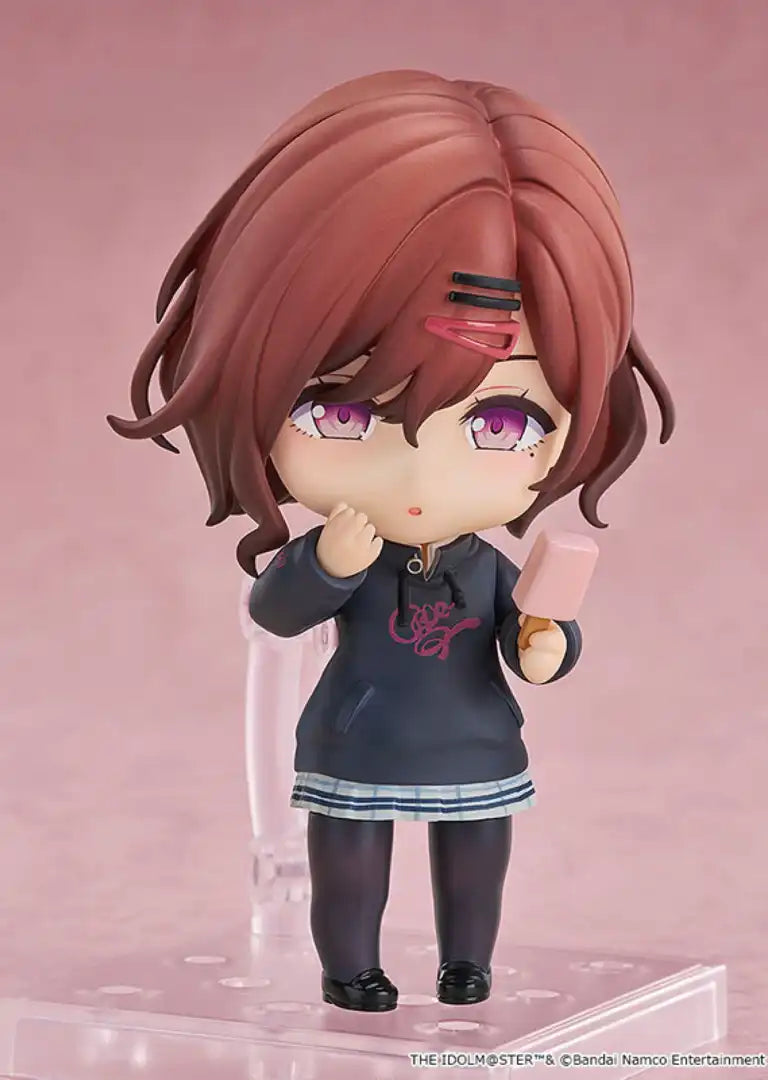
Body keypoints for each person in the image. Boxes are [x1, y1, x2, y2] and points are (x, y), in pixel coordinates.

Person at [108, 69, 674, 1012]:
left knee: (476, 863)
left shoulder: (483, 567)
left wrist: (546, 642)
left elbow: (530, 634)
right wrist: (325, 564)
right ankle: (350, 970)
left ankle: (466, 964)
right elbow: (276, 613)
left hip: (476, 743)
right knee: (350, 866)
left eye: (502, 422)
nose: (418, 477)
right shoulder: (351, 550)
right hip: (355, 743)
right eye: (342, 412)